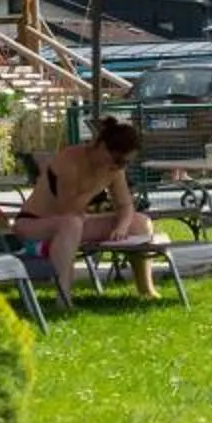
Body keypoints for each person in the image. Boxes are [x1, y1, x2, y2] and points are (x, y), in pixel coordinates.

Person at [15, 118, 159, 301]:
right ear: (100, 146)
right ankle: (63, 297)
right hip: (33, 225)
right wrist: (98, 183)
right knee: (71, 223)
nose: (119, 166)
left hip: (75, 224)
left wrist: (121, 227)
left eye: (125, 162)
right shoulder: (69, 160)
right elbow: (66, 209)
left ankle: (146, 289)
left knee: (140, 223)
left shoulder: (113, 168)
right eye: (117, 159)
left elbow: (125, 205)